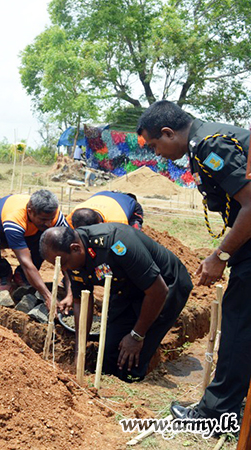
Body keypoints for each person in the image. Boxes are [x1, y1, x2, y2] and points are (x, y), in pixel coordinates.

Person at [137, 100, 251, 422]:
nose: (158, 154)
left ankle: (216, 414)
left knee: (239, 327)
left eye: (156, 145)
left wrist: (220, 256)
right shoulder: (210, 140)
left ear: (169, 133)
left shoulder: (209, 146)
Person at [40, 224, 192, 382]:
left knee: (131, 364)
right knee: (109, 357)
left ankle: (130, 394)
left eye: (64, 263)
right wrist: (80, 351)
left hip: (164, 286)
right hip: (126, 289)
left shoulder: (117, 243)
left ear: (76, 248)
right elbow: (81, 301)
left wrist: (136, 336)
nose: (64, 269)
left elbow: (158, 291)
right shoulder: (71, 259)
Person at [0, 190, 71, 306]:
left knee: (49, 240)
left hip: (29, 234)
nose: (49, 223)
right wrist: (48, 296)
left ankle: (22, 276)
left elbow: (68, 254)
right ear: (30, 212)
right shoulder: (15, 217)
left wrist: (71, 293)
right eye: (43, 220)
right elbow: (26, 262)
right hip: (0, 233)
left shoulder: (54, 217)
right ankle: (3, 273)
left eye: (51, 218)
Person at [68, 191, 144, 229]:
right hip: (102, 195)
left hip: (127, 202)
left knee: (134, 233)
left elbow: (123, 241)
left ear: (100, 224)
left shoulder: (117, 222)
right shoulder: (72, 217)